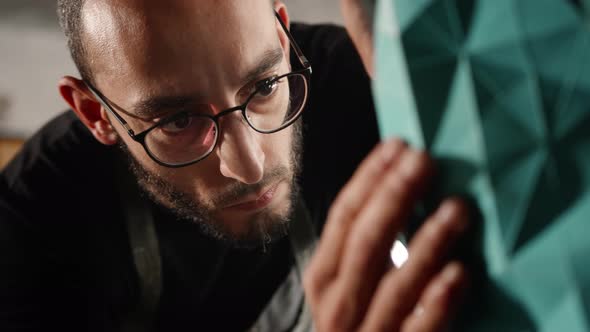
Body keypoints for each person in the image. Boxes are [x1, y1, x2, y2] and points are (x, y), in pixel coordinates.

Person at [0, 0, 469, 331]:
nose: (249, 166)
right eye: (180, 121)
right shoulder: (29, 224)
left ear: (283, 41)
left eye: (263, 88)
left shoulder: (357, 80)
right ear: (97, 115)